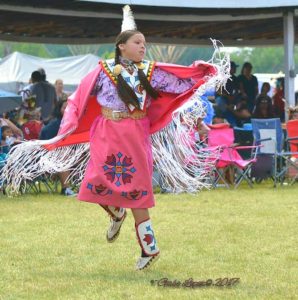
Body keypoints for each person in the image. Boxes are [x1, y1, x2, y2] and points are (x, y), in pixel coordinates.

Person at [1, 5, 227, 271]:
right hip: (107, 131)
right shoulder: (103, 70)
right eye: (137, 42)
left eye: (144, 42)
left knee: (138, 192)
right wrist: (70, 120)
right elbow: (80, 97)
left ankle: (149, 247)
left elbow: (181, 87)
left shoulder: (152, 71)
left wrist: (200, 73)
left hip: (136, 134)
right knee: (95, 181)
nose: (143, 46)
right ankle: (116, 212)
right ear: (122, 46)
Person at [39, 100, 76, 196]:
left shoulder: (75, 123)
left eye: (70, 107)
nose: (68, 110)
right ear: (59, 110)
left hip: (71, 156)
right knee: (63, 156)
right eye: (65, 107)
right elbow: (46, 145)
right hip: (48, 158)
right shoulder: (54, 125)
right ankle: (66, 189)